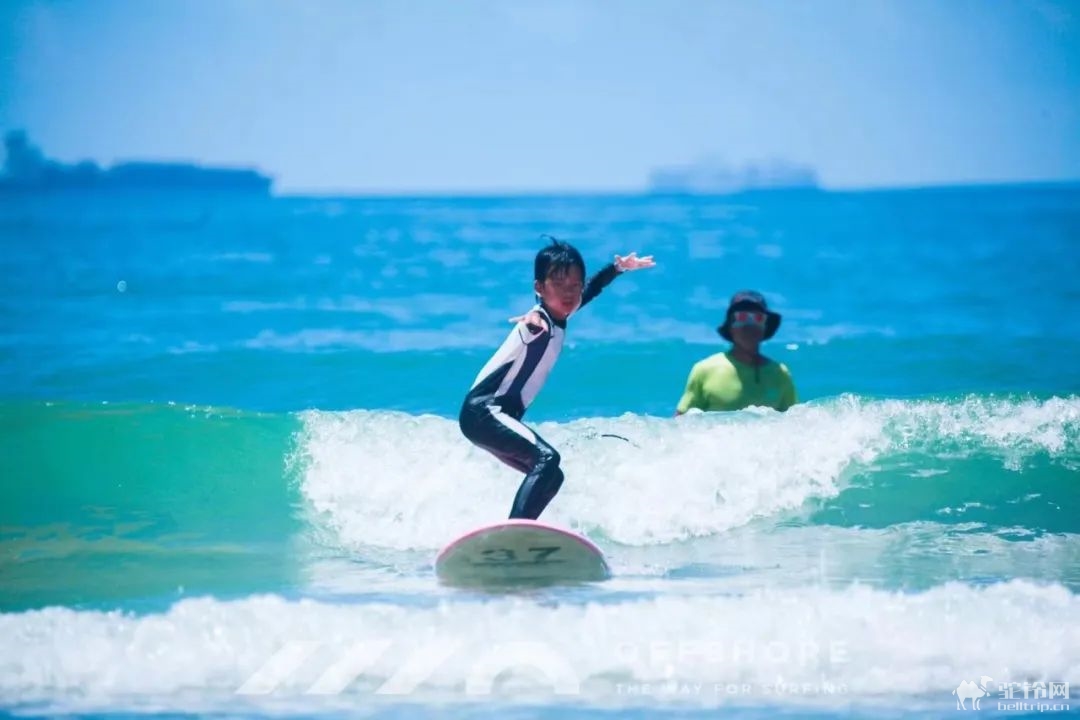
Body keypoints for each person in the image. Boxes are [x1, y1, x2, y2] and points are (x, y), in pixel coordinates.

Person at [459, 238, 655, 520]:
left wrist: (618, 268)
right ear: (539, 288)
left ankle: (525, 531)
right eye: (559, 284)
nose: (570, 292)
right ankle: (517, 530)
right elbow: (534, 320)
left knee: (552, 475)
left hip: (497, 416)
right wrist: (532, 317)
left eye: (575, 285)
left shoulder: (564, 310)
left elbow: (593, 288)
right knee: (547, 460)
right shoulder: (539, 321)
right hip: (484, 412)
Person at [675, 290, 797, 415]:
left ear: (765, 327)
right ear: (730, 326)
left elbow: (792, 425)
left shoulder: (781, 374)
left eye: (758, 318)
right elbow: (681, 424)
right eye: (742, 317)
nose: (750, 325)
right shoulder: (704, 370)